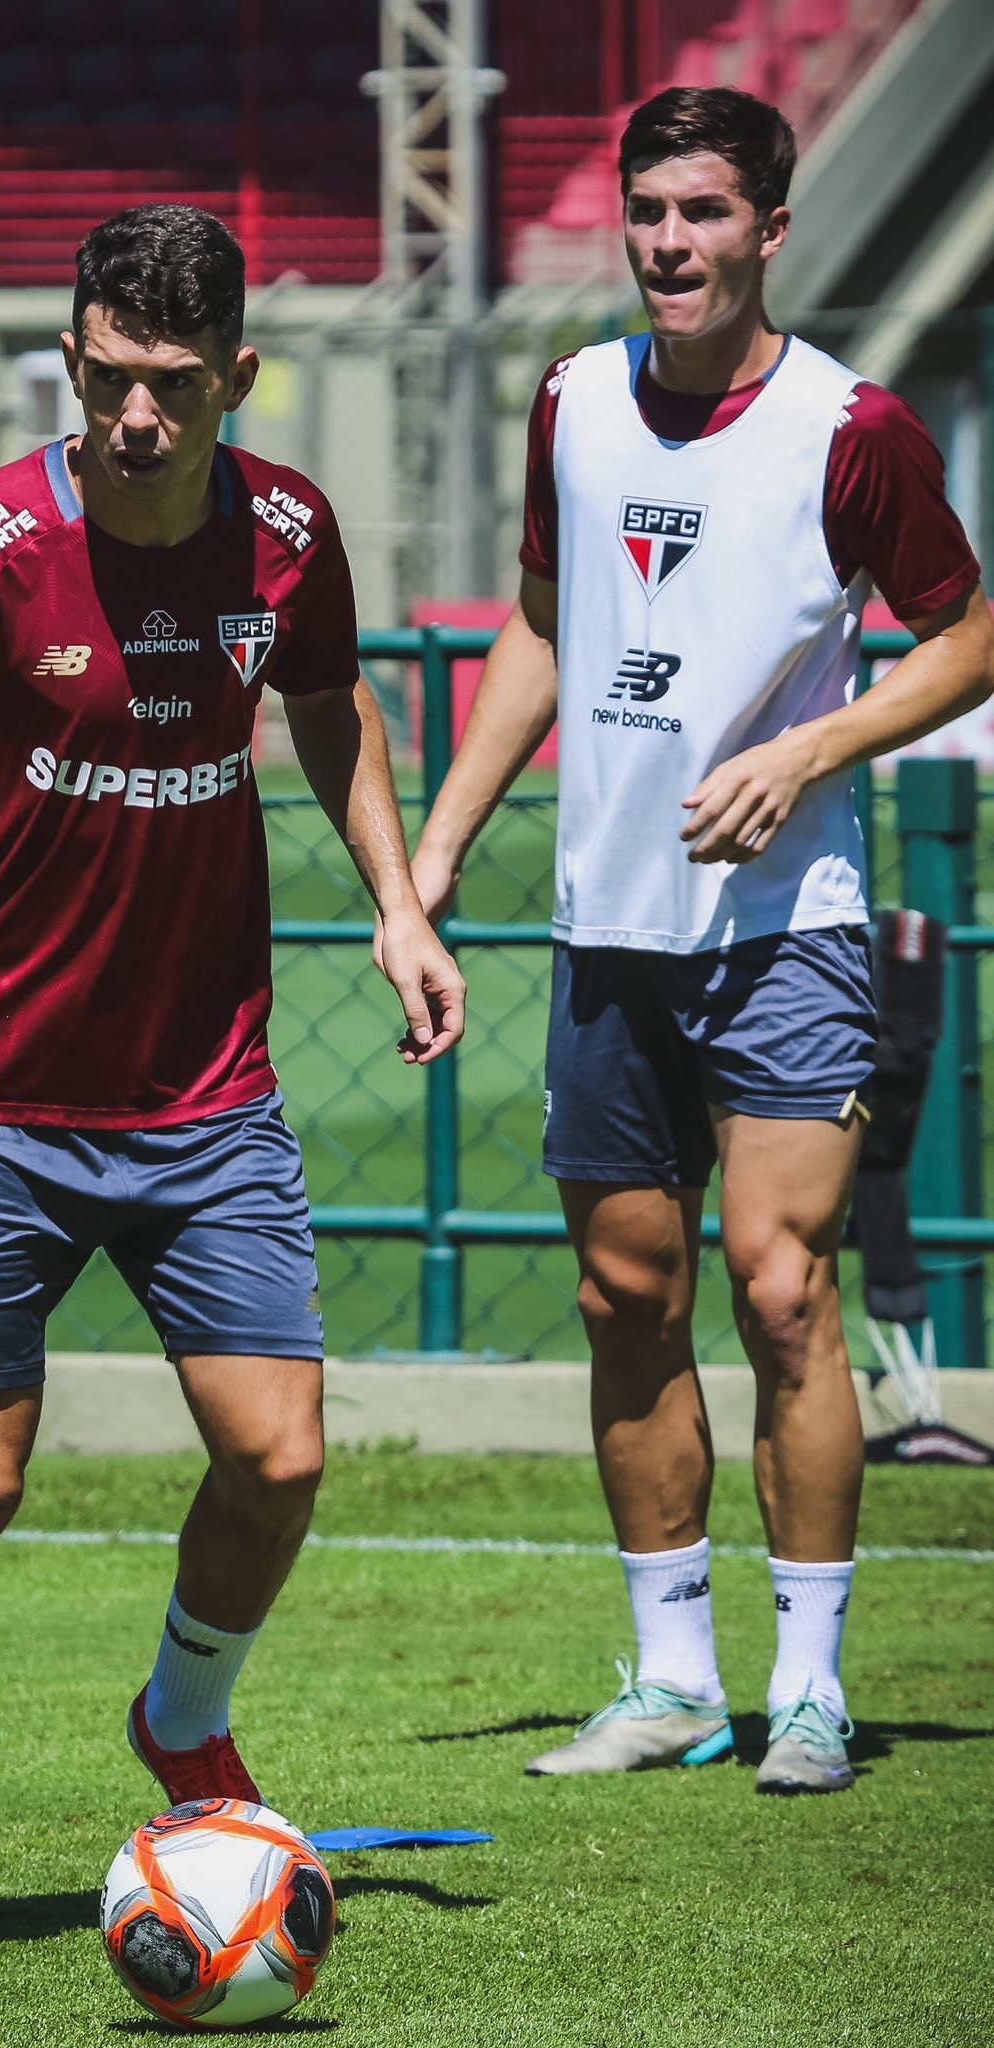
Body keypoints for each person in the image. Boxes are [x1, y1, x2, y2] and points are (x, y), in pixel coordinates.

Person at [0, 202, 465, 1952]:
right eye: (103, 380)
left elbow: (329, 703)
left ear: (238, 376)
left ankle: (180, 1718)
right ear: (70, 363)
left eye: (171, 386)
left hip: (205, 1093)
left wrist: (397, 905)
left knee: (280, 1458)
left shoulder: (290, 531)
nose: (134, 419)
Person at [409, 87, 992, 1795]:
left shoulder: (850, 428)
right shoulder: (574, 401)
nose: (669, 242)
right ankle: (672, 1677)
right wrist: (440, 843)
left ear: (769, 233)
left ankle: (805, 1686)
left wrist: (808, 750)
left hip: (786, 924)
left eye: (704, 214)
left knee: (781, 1287)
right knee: (621, 1297)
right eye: (647, 210)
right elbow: (538, 622)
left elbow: (964, 641)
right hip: (609, 926)